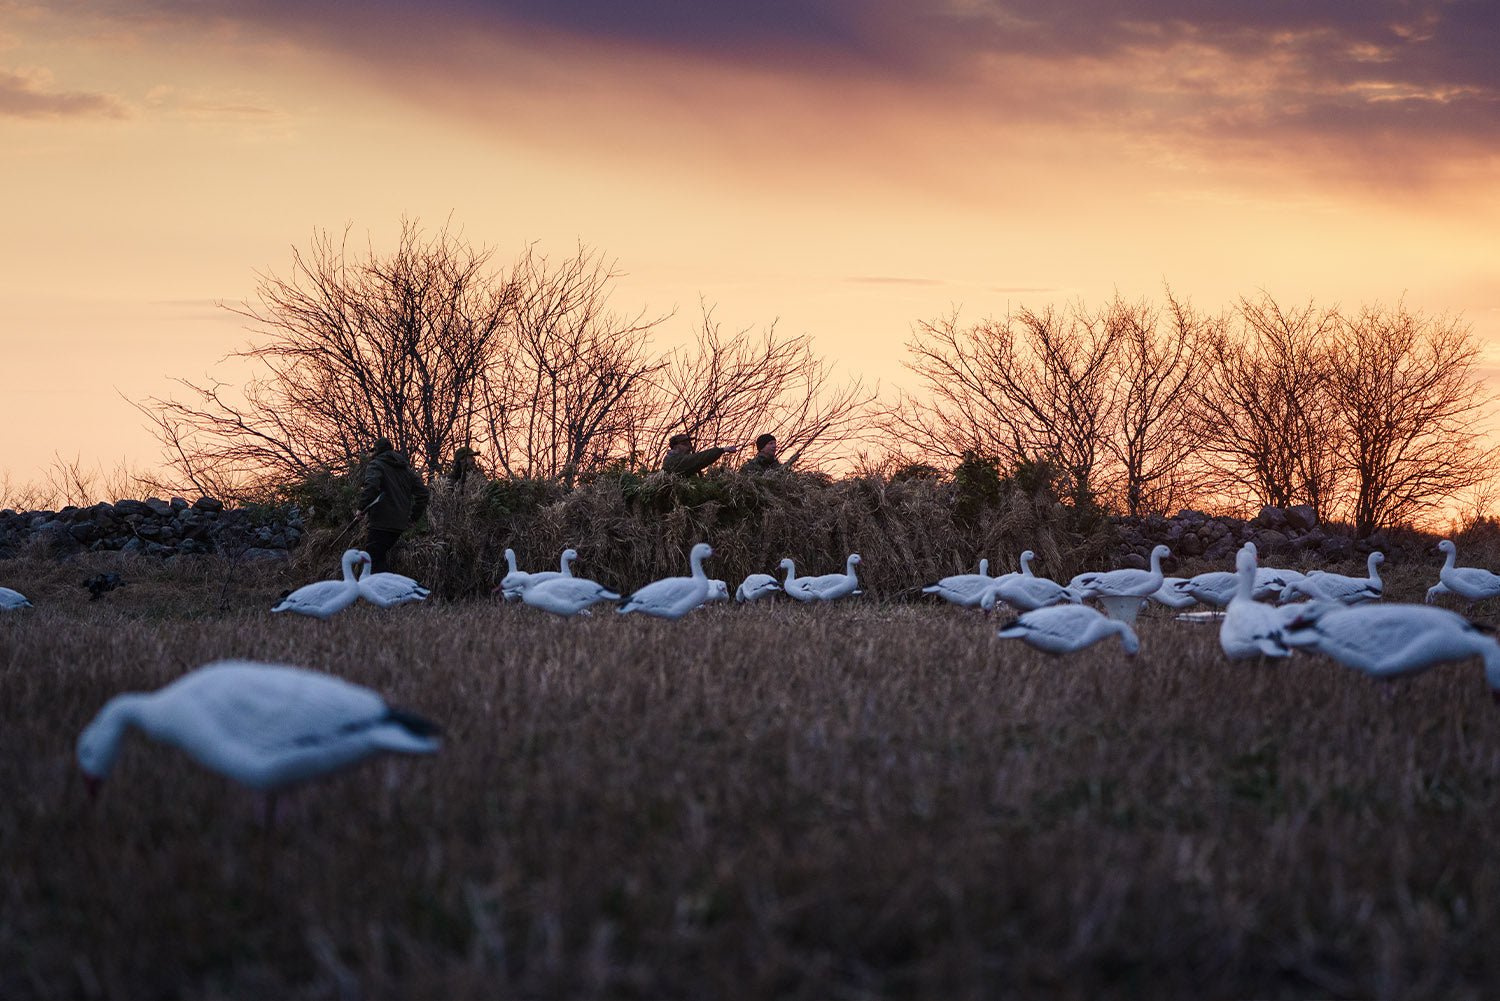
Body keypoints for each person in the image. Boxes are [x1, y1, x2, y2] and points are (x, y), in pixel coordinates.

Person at [357, 438, 430, 574]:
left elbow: (371, 487)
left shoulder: (376, 465)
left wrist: (361, 508)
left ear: (377, 451)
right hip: (399, 525)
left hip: (381, 522)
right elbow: (424, 493)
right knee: (379, 557)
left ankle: (385, 592)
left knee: (372, 561)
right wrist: (413, 518)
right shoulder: (405, 470)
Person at [661, 433, 740, 476]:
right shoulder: (673, 460)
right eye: (685, 444)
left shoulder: (675, 458)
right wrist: (722, 450)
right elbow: (699, 458)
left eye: (689, 444)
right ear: (676, 446)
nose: (689, 447)